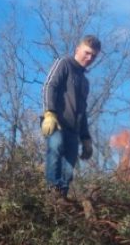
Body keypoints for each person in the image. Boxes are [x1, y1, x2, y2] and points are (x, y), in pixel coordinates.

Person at [40, 35, 100, 197]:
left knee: (69, 165)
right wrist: (49, 113)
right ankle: (52, 190)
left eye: (93, 56)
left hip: (74, 129)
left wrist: (86, 138)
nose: (89, 58)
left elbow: (83, 110)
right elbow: (49, 86)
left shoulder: (84, 82)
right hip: (56, 122)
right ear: (77, 49)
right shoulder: (63, 63)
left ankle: (62, 197)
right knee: (56, 147)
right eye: (87, 53)